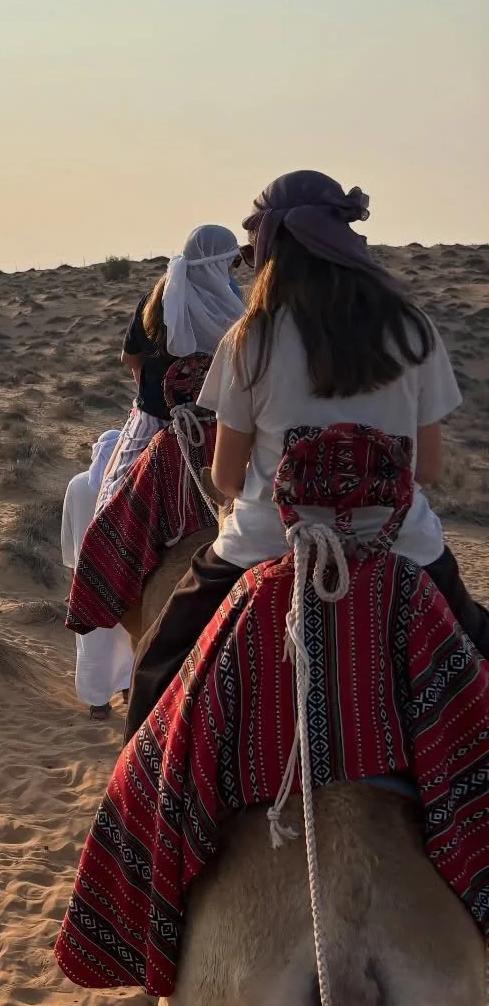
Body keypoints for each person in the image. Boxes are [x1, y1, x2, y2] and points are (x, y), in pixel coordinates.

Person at [124, 169, 489, 736]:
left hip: (266, 544)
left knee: (158, 670)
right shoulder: (413, 330)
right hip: (404, 548)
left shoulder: (251, 339)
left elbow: (225, 477)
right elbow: (431, 469)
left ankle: (142, 812)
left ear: (269, 245)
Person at [96, 225, 243, 509]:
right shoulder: (234, 310)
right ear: (217, 265)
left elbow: (131, 360)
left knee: (110, 502)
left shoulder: (153, 302)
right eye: (232, 261)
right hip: (219, 426)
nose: (233, 270)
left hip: (153, 420)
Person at [61, 428, 133, 716]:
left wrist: (72, 575)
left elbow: (68, 534)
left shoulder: (77, 485)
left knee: (94, 641)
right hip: (125, 575)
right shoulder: (128, 482)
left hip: (87, 575)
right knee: (128, 636)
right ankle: (129, 689)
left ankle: (98, 704)